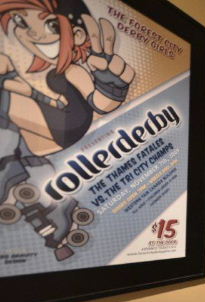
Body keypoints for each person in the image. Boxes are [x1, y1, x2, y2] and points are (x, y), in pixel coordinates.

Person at [0, 0, 135, 261]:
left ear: (79, 34)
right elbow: (30, 94)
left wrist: (112, 84)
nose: (34, 34)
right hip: (44, 124)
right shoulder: (31, 70)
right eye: (21, 22)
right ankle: (56, 219)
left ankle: (10, 179)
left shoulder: (72, 70)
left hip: (67, 123)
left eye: (50, 24)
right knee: (27, 159)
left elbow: (101, 103)